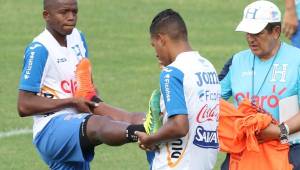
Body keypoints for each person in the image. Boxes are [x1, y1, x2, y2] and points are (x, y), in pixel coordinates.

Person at [17, 0, 147, 169]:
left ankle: (160, 126)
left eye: (74, 12)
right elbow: (24, 105)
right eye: (64, 12)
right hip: (50, 128)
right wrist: (71, 101)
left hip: (78, 120)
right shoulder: (39, 49)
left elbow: (85, 85)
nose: (71, 17)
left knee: (126, 117)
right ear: (46, 16)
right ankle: (141, 134)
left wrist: (92, 98)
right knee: (100, 124)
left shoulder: (78, 37)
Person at [136, 9, 220, 170]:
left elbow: (179, 126)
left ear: (161, 39)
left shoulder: (172, 72)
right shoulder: (208, 67)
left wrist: (150, 139)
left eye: (154, 46)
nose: (156, 53)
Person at [219, 1, 300, 169]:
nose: (250, 38)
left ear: (276, 31)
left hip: (289, 149)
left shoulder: (297, 60)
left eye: (256, 33)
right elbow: (210, 99)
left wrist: (280, 131)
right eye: (247, 32)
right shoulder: (237, 61)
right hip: (246, 148)